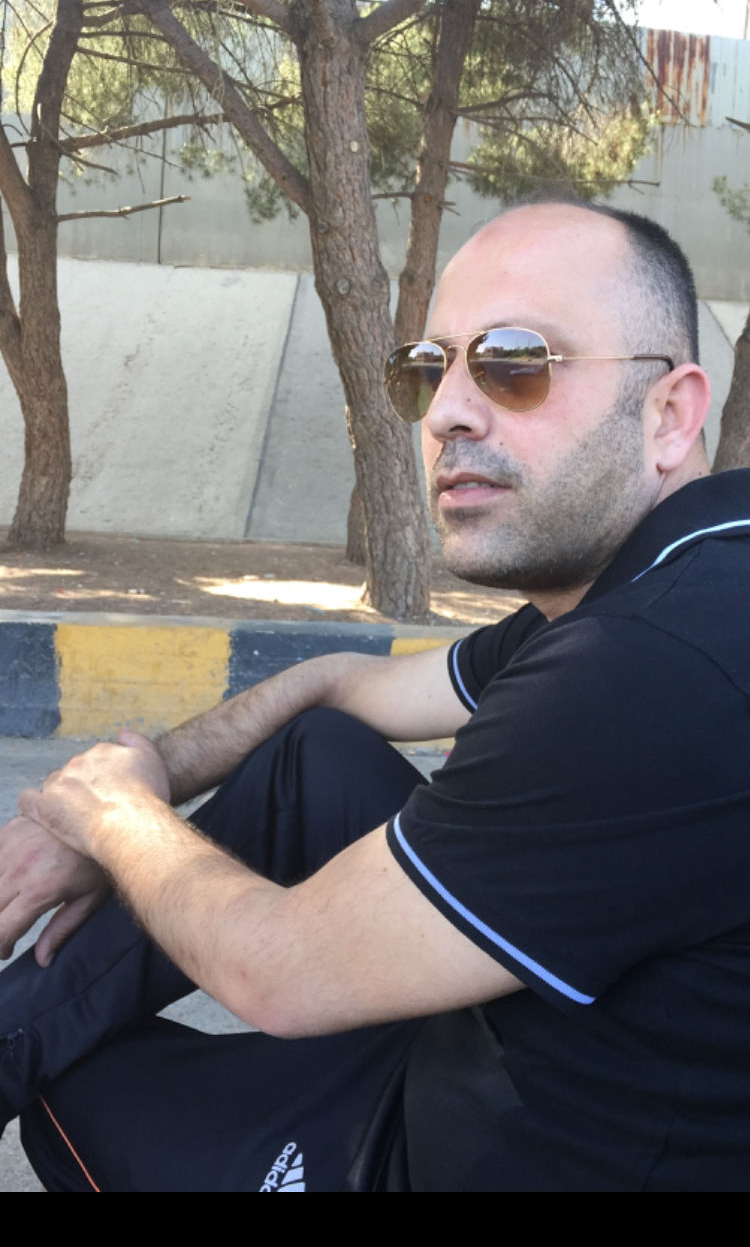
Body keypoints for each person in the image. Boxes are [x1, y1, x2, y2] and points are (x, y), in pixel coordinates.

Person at [0, 199, 748, 1191]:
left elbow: (279, 970)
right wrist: (145, 775)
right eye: (428, 368)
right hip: (519, 1042)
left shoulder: (648, 664)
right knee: (318, 749)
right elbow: (342, 683)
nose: (445, 413)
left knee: (75, 1089)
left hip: (502, 1154)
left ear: (670, 413)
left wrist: (115, 819)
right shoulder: (673, 569)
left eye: (516, 361)